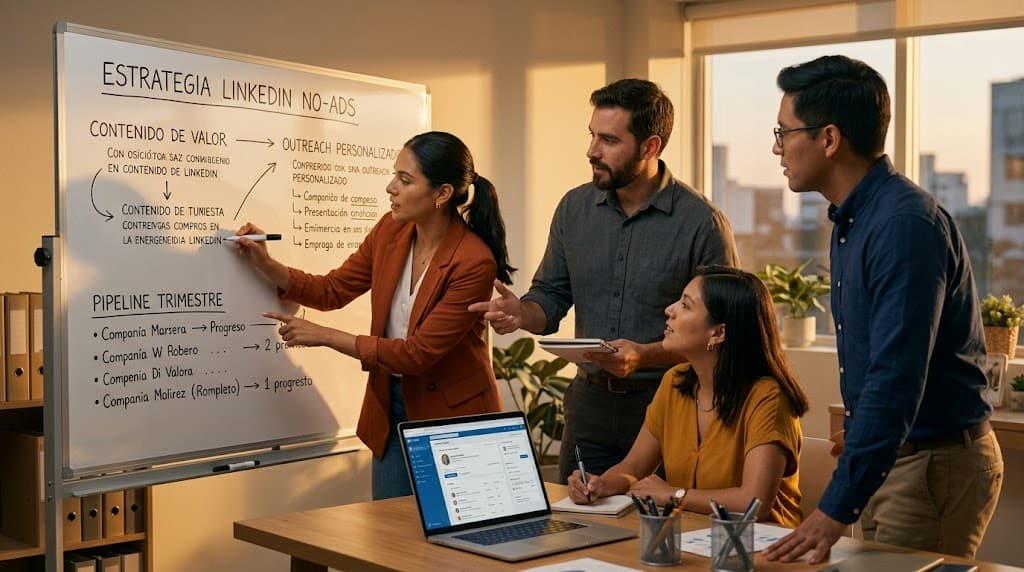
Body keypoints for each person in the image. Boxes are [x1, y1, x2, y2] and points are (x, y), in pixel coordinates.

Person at [763, 55, 1003, 563]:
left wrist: (833, 510)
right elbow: (878, 361)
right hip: (898, 460)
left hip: (930, 467)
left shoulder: (903, 225)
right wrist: (861, 439)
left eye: (784, 132)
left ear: (829, 139)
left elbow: (896, 375)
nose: (777, 147)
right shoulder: (854, 219)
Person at [469, 78, 738, 483]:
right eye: (593, 135)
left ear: (650, 147)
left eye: (609, 140)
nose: (592, 150)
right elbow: (551, 297)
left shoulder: (702, 222)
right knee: (573, 514)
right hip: (589, 408)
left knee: (660, 521)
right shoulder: (574, 208)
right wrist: (521, 313)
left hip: (673, 405)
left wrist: (644, 355)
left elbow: (722, 331)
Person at [233, 131, 516, 500]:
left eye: (405, 179)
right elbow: (332, 289)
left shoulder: (474, 261)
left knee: (455, 530)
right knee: (389, 528)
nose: (390, 187)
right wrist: (267, 265)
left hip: (453, 417)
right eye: (394, 174)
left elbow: (416, 354)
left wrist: (325, 335)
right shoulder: (390, 230)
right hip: (390, 403)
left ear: (443, 193)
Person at [566, 266, 808, 527]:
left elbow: (754, 503)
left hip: (762, 544)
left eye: (685, 305)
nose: (669, 310)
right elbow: (633, 468)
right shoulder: (675, 382)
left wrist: (674, 495)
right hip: (692, 536)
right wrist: (600, 484)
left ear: (718, 333)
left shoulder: (768, 398)